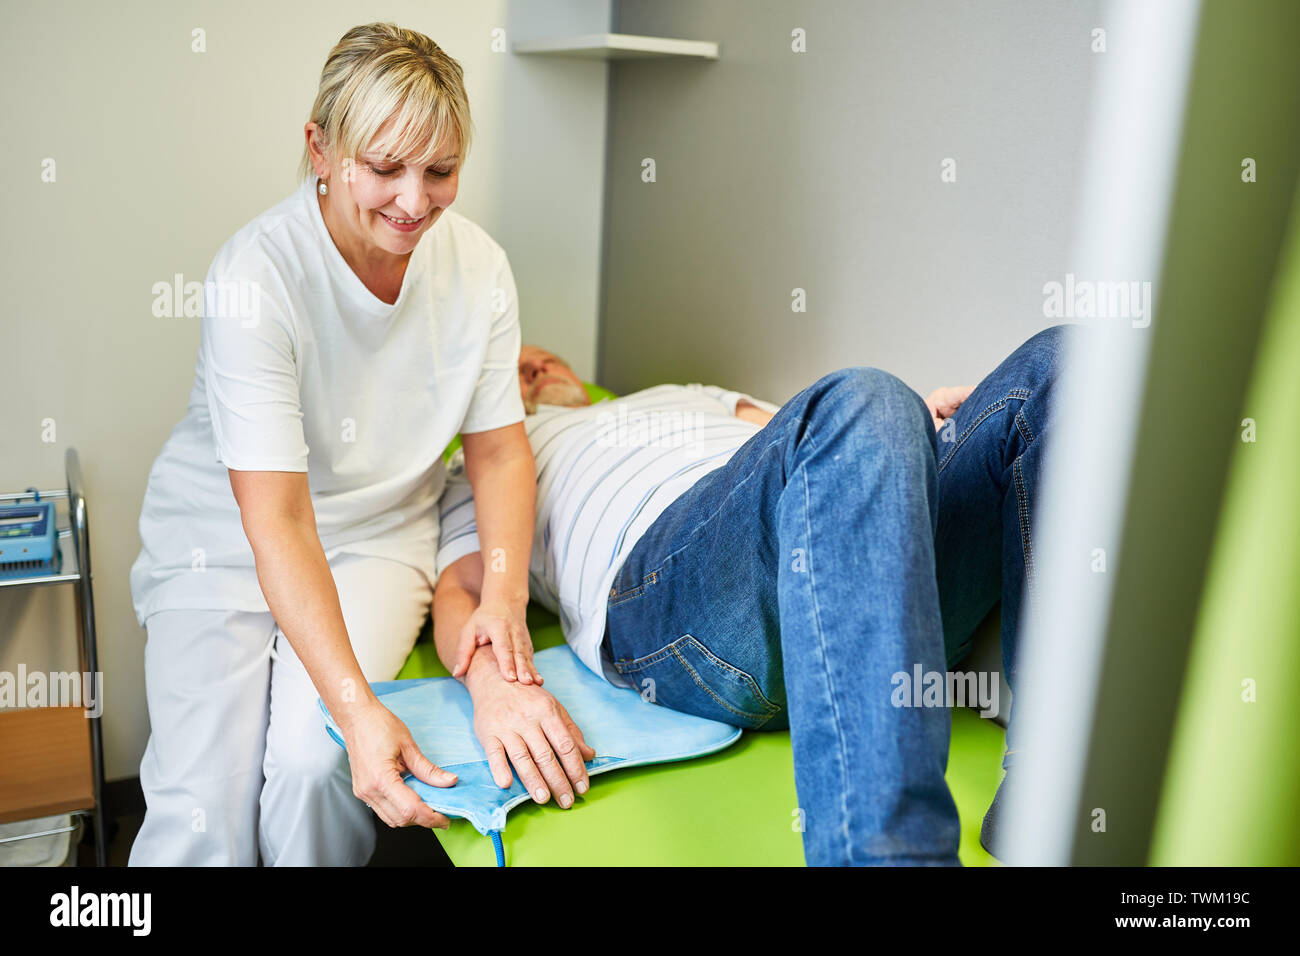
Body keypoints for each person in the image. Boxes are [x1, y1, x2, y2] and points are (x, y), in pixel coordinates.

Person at [127, 23, 539, 866]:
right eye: (384, 167)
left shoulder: (480, 270)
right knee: (203, 808)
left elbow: (497, 452)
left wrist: (502, 598)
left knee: (315, 765)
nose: (414, 201)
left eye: (440, 170)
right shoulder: (258, 277)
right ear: (321, 149)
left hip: (377, 538)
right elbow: (276, 518)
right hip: (226, 540)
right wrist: (356, 705)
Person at [429, 329, 1070, 865]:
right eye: (518, 374)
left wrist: (912, 433)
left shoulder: (683, 394)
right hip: (678, 588)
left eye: (544, 358)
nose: (537, 368)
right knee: (868, 395)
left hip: (866, 562)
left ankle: (1045, 802)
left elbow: (813, 436)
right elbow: (459, 589)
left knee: (1058, 365)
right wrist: (495, 687)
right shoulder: (485, 465)